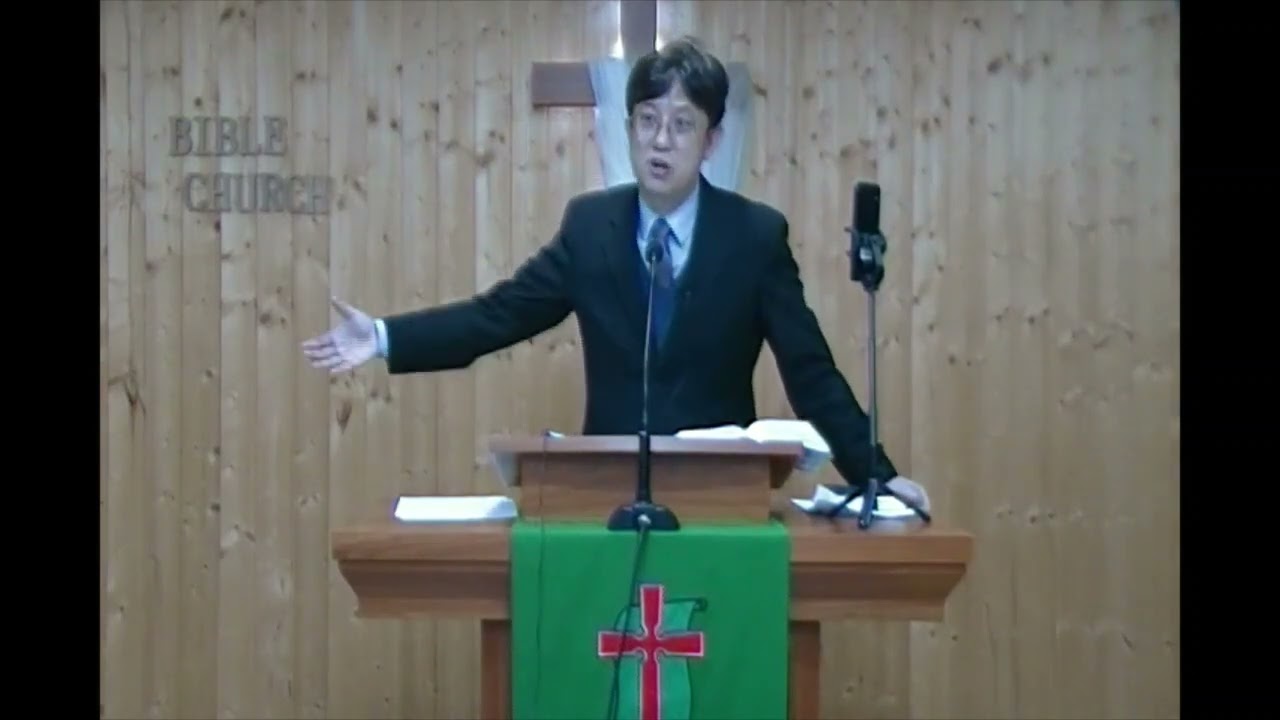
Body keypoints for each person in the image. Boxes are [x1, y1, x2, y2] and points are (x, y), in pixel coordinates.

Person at [302, 37, 927, 509]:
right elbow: (499, 315)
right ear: (628, 129)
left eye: (682, 124)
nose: (661, 141)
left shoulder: (754, 237)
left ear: (710, 141)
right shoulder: (590, 227)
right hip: (607, 498)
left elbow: (810, 372)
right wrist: (382, 337)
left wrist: (876, 476)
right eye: (648, 120)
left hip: (721, 499)